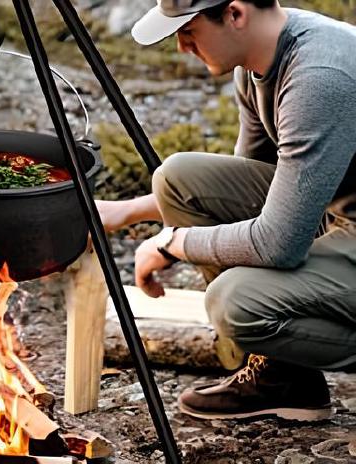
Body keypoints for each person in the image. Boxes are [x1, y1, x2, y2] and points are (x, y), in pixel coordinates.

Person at [98, 0, 356, 421]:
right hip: (338, 216)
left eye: (188, 31)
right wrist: (128, 212)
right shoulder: (256, 64)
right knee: (179, 178)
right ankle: (282, 380)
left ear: (235, 14)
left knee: (235, 302)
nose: (182, 47)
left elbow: (277, 244)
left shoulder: (318, 77)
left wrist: (173, 243)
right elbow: (261, 187)